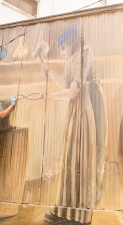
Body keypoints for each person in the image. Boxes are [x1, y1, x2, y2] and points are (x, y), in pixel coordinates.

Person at [42, 25, 107, 221]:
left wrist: (49, 97)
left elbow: (72, 91)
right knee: (70, 156)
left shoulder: (85, 53)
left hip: (88, 107)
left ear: (70, 44)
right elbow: (66, 84)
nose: (61, 53)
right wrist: (51, 72)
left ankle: (81, 213)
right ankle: (66, 209)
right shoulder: (70, 59)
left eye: (62, 48)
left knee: (84, 157)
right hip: (76, 108)